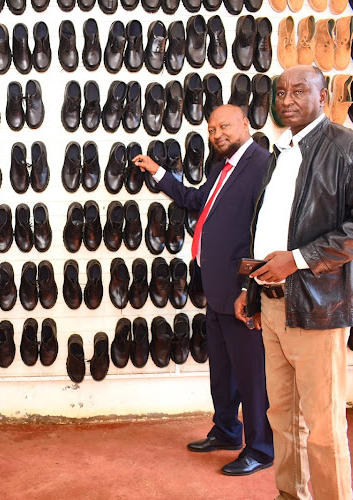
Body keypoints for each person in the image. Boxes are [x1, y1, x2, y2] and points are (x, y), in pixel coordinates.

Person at [234, 65, 353, 499]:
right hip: (274, 303)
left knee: (322, 426)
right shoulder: (280, 151)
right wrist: (253, 290)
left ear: (324, 96)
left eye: (299, 91)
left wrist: (299, 260)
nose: (286, 100)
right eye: (281, 92)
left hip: (318, 306)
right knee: (282, 418)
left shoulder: (348, 149)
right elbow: (268, 230)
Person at [133, 104, 273, 476]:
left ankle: (260, 448)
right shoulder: (220, 167)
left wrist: (250, 287)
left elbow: (266, 230)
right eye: (211, 129)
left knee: (251, 375)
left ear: (246, 124)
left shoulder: (263, 166)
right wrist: (158, 172)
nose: (216, 135)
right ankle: (227, 430)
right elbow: (196, 202)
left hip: (241, 290)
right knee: (223, 370)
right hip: (215, 285)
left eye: (224, 126)